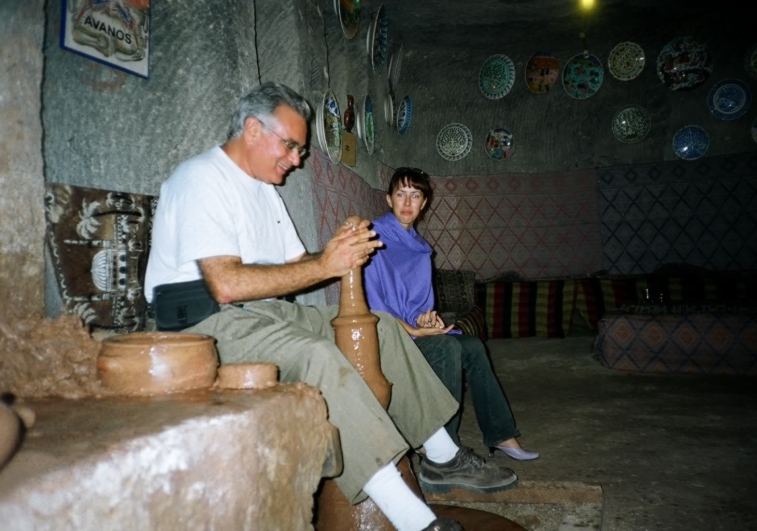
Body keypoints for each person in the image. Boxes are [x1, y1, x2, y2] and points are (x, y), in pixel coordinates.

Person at [144, 82, 518, 531]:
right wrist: (330, 263)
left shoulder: (264, 190)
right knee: (318, 355)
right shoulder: (201, 178)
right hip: (201, 322)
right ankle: (416, 521)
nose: (297, 159)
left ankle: (442, 456)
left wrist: (343, 250)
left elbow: (301, 264)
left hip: (263, 310)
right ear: (252, 130)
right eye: (291, 145)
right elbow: (224, 284)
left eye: (300, 149)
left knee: (381, 327)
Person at [363, 167, 539, 461]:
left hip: (411, 330)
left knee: (471, 345)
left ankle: (502, 434)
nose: (407, 203)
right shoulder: (374, 238)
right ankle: (445, 449)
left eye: (415, 196)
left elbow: (416, 304)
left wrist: (425, 319)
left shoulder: (419, 247)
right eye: (400, 195)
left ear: (425, 203)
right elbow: (374, 306)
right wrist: (415, 329)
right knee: (446, 348)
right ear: (388, 199)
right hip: (387, 334)